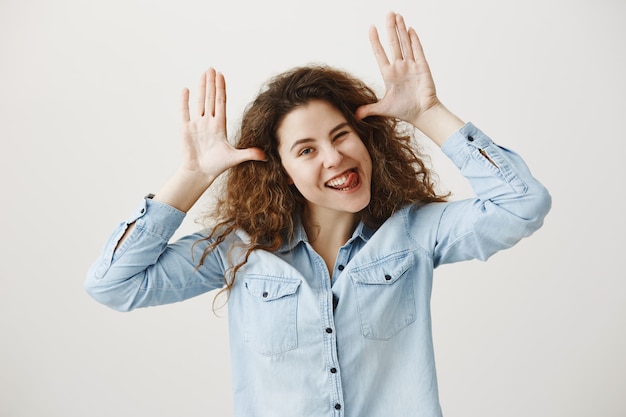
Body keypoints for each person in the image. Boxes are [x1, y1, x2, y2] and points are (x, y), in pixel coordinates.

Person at [85, 12, 551, 417]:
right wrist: (192, 175)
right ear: (283, 172)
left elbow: (522, 205)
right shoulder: (240, 251)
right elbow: (114, 285)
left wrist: (427, 112)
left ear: (365, 138)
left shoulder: (414, 234)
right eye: (306, 149)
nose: (333, 157)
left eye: (341, 135)